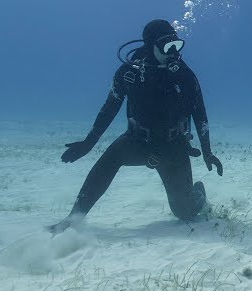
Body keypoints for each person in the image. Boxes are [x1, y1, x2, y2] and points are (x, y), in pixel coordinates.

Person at [48, 19, 223, 234]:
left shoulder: (184, 74)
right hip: (137, 140)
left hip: (173, 145)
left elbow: (200, 112)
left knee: (184, 213)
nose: (173, 52)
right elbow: (109, 108)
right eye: (167, 46)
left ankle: (198, 193)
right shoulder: (128, 73)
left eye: (176, 45)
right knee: (107, 162)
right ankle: (73, 219)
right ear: (151, 45)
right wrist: (89, 143)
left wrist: (207, 152)